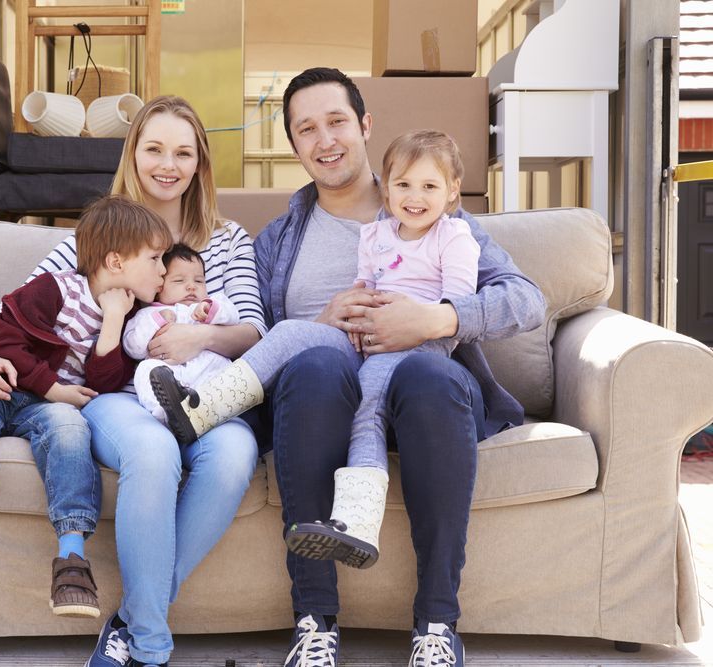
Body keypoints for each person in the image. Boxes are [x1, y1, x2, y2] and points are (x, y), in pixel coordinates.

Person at [226, 68, 544, 667]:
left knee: (427, 376)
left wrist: (435, 319)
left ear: (365, 125)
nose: (325, 140)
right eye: (307, 129)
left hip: (426, 393)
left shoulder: (430, 208)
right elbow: (259, 337)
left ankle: (437, 624)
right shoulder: (276, 241)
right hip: (323, 403)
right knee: (315, 366)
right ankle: (315, 623)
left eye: (337, 121)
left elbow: (526, 300)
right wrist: (323, 320)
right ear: (293, 145)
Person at [0, 96, 266, 667]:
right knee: (152, 452)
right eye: (154, 149)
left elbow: (255, 330)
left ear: (200, 163)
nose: (168, 165)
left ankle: (130, 620)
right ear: (133, 155)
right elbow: (14, 306)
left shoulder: (229, 239)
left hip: (206, 395)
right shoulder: (103, 233)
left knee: (234, 456)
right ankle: (151, 649)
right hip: (119, 397)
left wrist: (200, 337)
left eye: (183, 153)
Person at [151, 129, 479, 574]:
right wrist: (355, 312)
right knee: (289, 333)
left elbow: (458, 306)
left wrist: (414, 325)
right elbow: (367, 283)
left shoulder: (454, 235)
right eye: (403, 184)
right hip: (361, 338)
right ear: (386, 186)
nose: (414, 197)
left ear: (452, 191)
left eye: (429, 186)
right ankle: (202, 409)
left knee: (367, 410)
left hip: (416, 352)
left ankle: (358, 521)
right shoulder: (376, 234)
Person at [0, 195, 172, 638]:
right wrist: (53, 387)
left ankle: (71, 562)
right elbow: (4, 339)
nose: (163, 270)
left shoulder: (132, 318)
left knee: (70, 431)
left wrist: (112, 321)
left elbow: (104, 383)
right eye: (155, 259)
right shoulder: (54, 288)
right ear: (116, 261)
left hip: (48, 409)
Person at [124, 243, 241, 424]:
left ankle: (213, 409)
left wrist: (210, 309)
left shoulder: (209, 305)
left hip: (206, 373)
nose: (191, 287)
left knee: (225, 366)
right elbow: (133, 348)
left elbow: (233, 317)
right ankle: (166, 412)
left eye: (199, 281)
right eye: (179, 281)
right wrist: (157, 321)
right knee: (145, 370)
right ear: (159, 286)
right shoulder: (148, 315)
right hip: (170, 375)